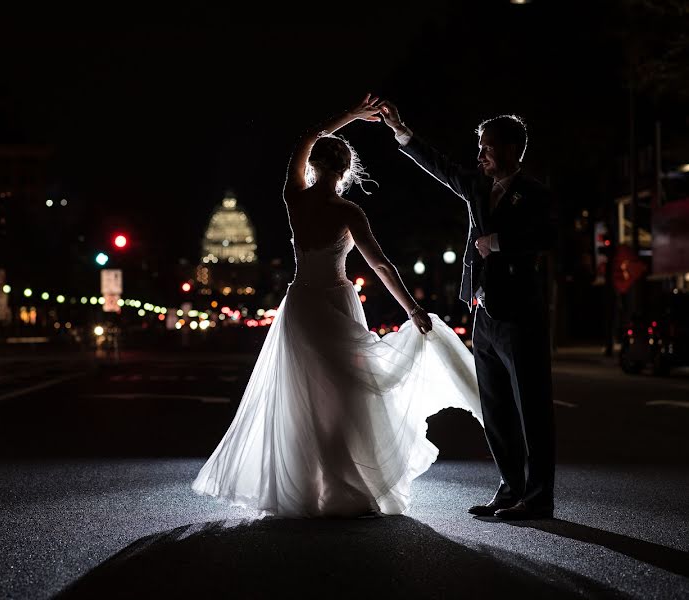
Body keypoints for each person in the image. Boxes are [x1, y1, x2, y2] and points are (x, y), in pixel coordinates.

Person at [192, 96, 483, 517]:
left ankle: (305, 487)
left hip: (301, 305)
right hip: (337, 301)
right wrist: (412, 310)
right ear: (346, 171)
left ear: (314, 166)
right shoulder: (348, 211)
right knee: (345, 397)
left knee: (303, 396)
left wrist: (348, 116)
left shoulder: (296, 198)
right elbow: (381, 266)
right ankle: (345, 483)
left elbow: (304, 138)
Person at [378, 101, 556, 520]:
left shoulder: (534, 193)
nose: (480, 155)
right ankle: (510, 489)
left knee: (532, 408)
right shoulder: (476, 185)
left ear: (513, 149)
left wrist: (499, 243)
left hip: (521, 314)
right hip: (484, 313)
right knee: (494, 409)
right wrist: (401, 131)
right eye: (479, 147)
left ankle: (539, 497)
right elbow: (438, 165)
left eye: (488, 147)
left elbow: (547, 236)